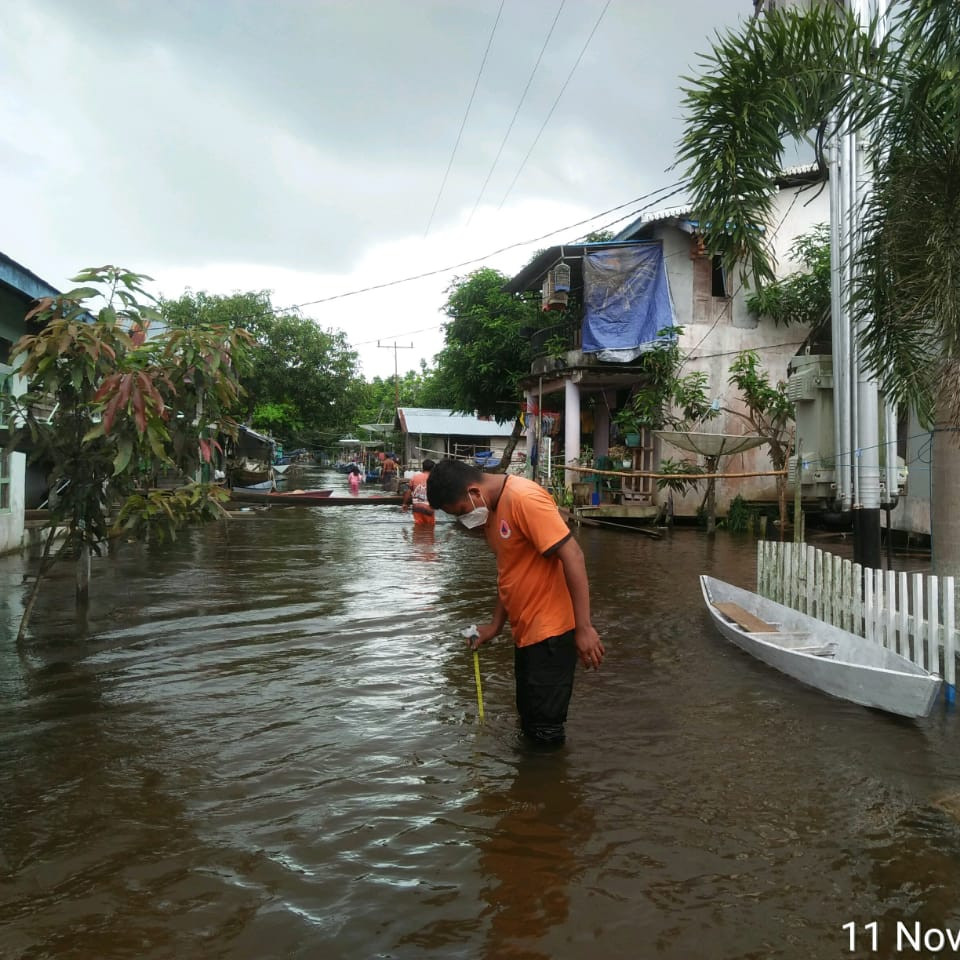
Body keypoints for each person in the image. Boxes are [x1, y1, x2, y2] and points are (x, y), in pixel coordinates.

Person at [427, 458, 604, 744]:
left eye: (461, 512)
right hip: (525, 634)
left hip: (552, 634)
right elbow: (509, 571)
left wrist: (583, 627)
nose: (464, 521)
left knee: (545, 731)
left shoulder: (524, 498)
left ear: (474, 493)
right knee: (529, 721)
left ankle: (549, 785)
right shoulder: (490, 514)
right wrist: (495, 626)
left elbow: (573, 555)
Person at [401, 459, 436, 525]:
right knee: (430, 528)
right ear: (433, 469)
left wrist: (405, 504)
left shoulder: (415, 477)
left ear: (423, 468)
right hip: (428, 507)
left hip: (417, 507)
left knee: (418, 527)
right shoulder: (434, 478)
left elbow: (408, 492)